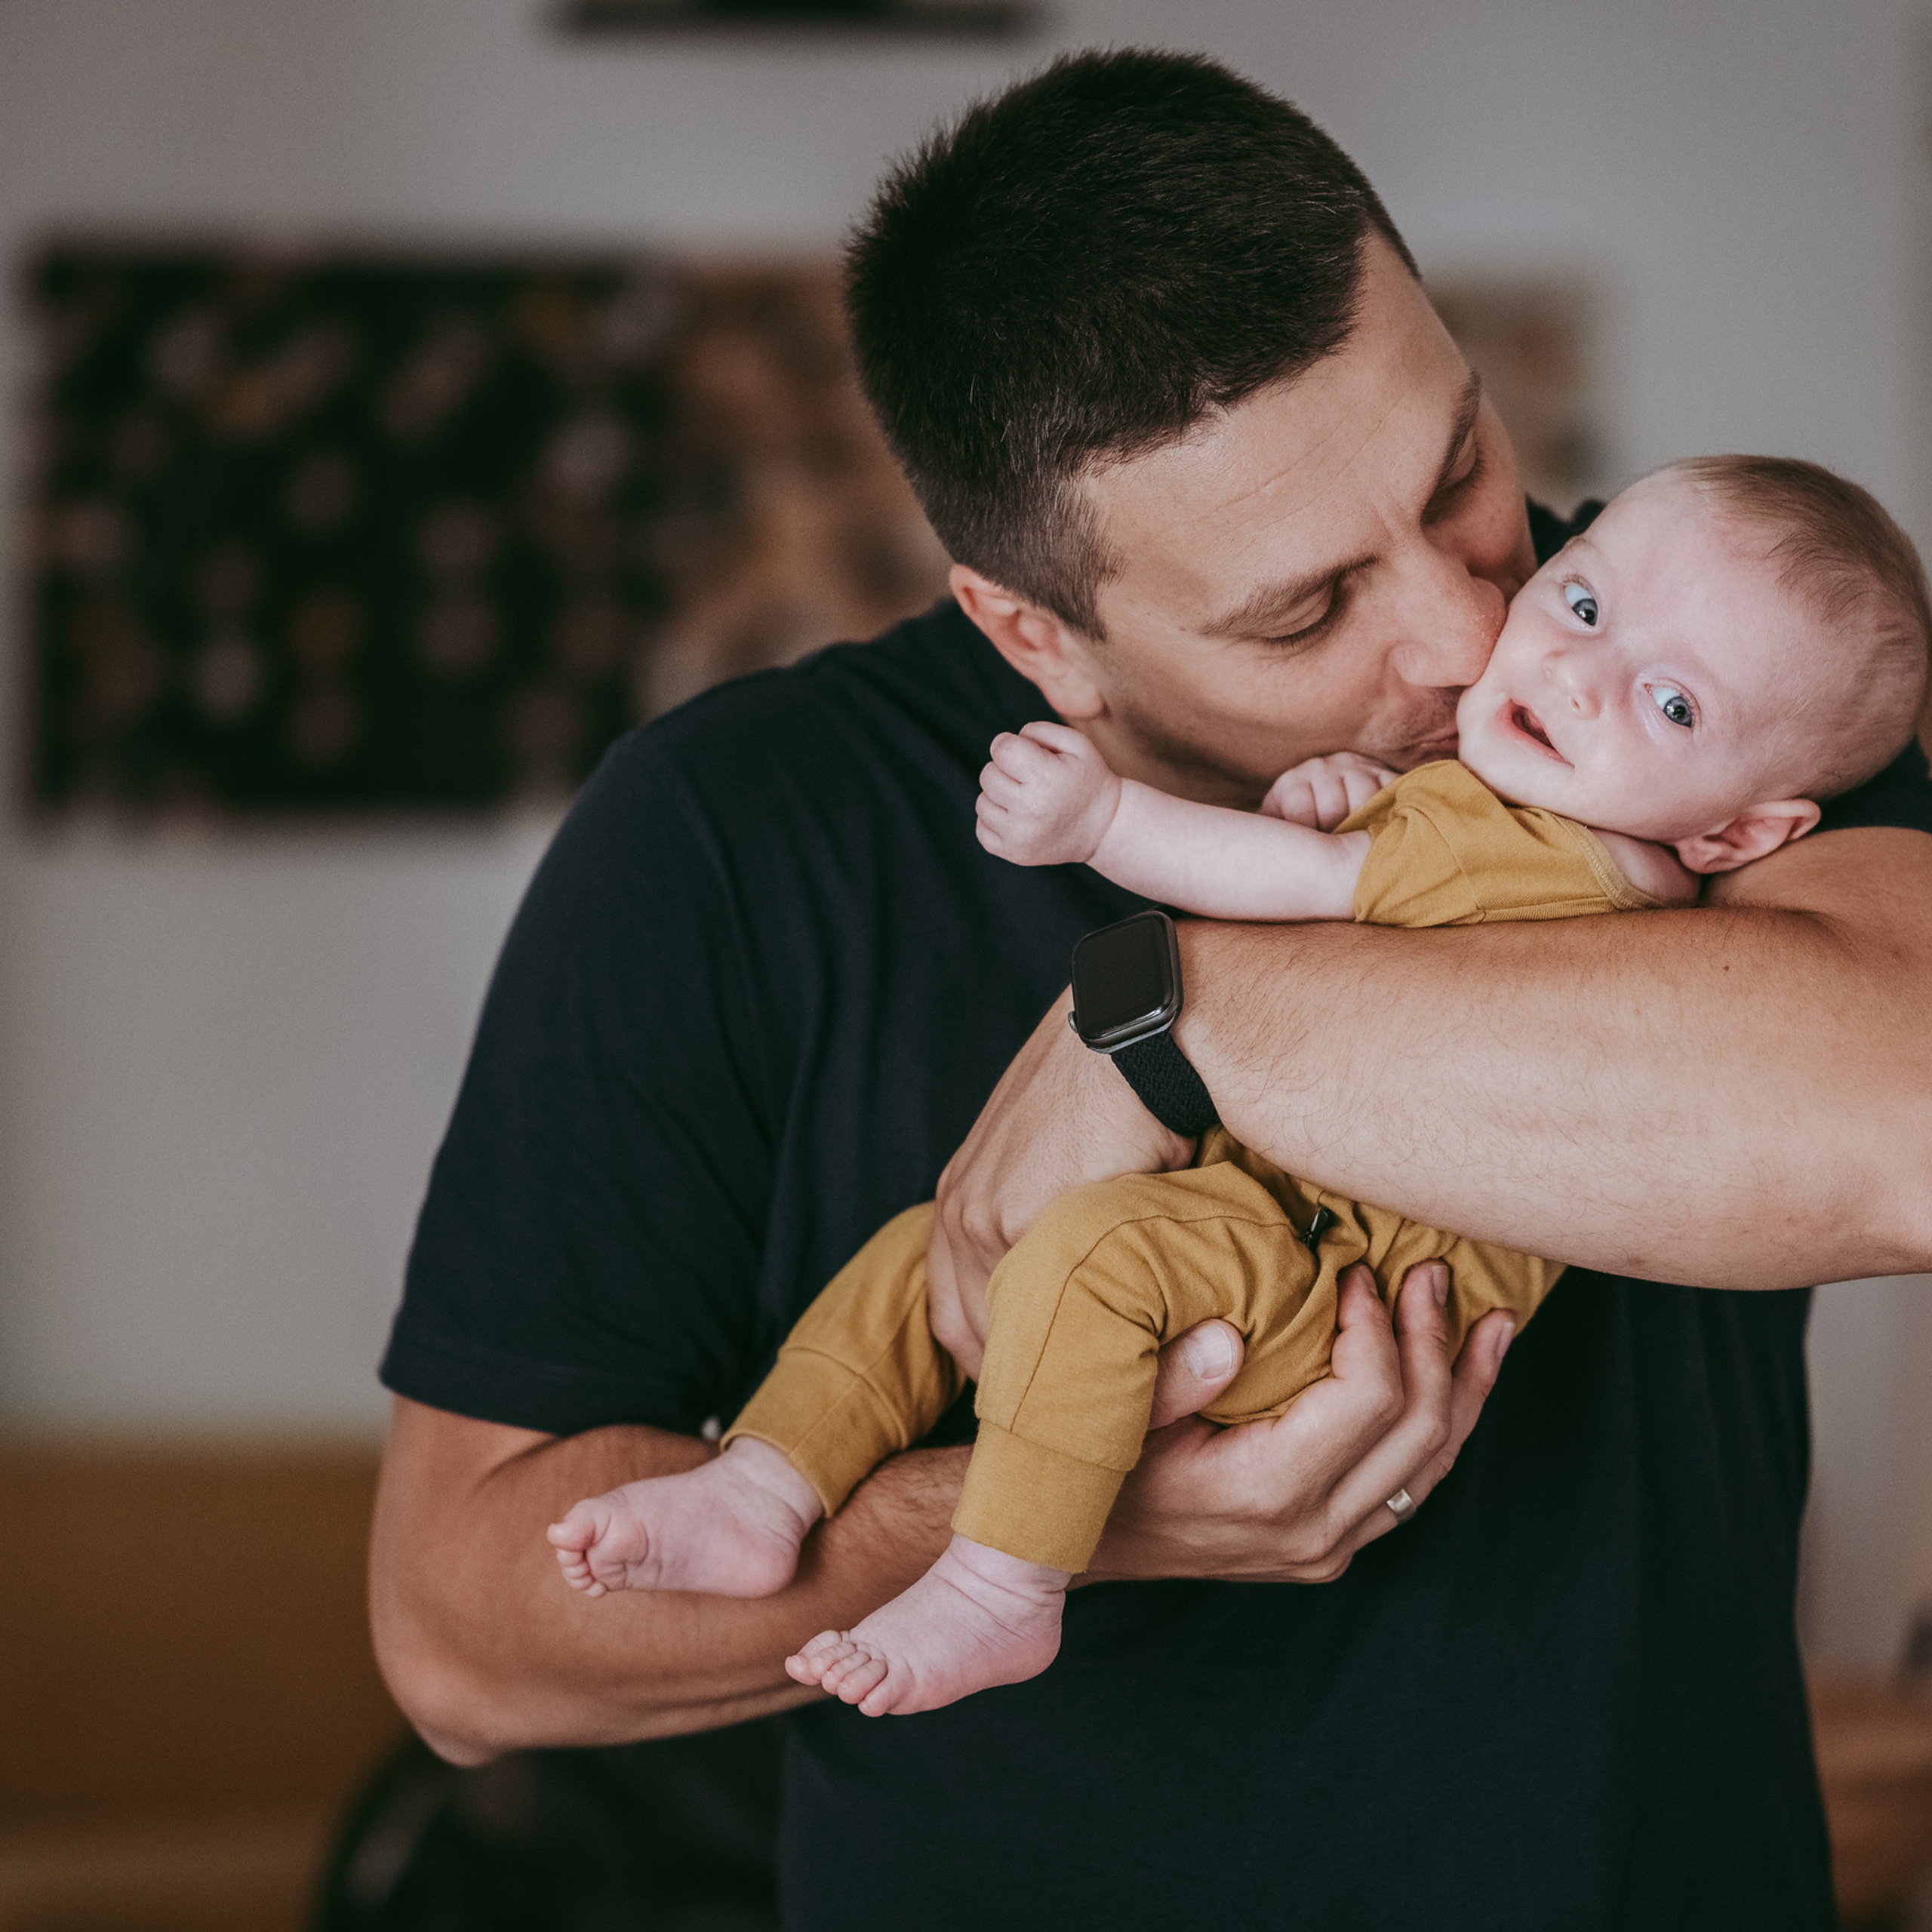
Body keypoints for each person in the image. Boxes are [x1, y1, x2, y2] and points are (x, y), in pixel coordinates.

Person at [369, 50, 1932, 1931]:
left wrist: (1165, 1010)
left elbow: (1907, 1109)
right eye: (1304, 610)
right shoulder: (732, 833)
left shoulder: (1717, 674)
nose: (1468, 636)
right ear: (1036, 636)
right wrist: (1049, 1513)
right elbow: (460, 1637)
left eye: (1461, 471)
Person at [541, 454, 1930, 1723]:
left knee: (1076, 1259)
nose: (1574, 674)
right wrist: (1361, 784)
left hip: (1333, 1284)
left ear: (1743, 833)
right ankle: (763, 1485)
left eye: (1672, 705)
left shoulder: (1539, 850)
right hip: (1281, 1229)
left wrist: (1103, 822)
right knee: (937, 1252)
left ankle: (998, 1583)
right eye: (1579, 604)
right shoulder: (1571, 832)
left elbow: (1294, 886)